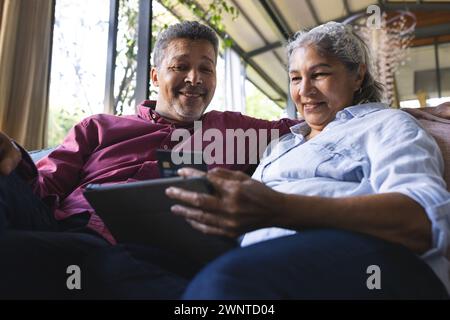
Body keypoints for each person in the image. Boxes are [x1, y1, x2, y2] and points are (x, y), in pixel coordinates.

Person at [0, 20, 448, 299]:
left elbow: (333, 118)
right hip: (58, 220)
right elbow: (42, 186)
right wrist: (12, 160)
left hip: (138, 250)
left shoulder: (242, 133)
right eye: (181, 67)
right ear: (156, 75)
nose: (194, 79)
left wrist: (424, 112)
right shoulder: (99, 127)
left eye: (207, 68)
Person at [166, 22, 450, 299]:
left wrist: (279, 208)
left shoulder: (385, 124)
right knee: (133, 263)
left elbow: (423, 220)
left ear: (358, 76)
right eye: (295, 78)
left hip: (372, 262)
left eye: (319, 74)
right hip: (259, 258)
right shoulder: (281, 146)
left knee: (226, 282)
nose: (305, 91)